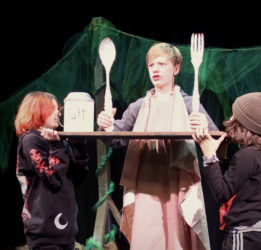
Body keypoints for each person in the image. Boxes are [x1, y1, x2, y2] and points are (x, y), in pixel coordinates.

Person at [97, 42, 218, 250]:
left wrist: (203, 128)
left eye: (162, 64)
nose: (155, 69)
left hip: (178, 183)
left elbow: (215, 141)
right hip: (147, 183)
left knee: (177, 238)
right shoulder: (140, 105)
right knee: (148, 238)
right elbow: (116, 138)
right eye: (151, 65)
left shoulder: (190, 104)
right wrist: (105, 126)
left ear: (176, 68)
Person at [193, 92, 261, 250]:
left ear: (243, 123)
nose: (230, 119)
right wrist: (221, 156)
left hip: (246, 234)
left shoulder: (246, 155)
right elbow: (238, 184)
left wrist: (209, 156)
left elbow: (221, 193)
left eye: (235, 116)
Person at [15, 91, 89, 250]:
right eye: (53, 109)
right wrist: (56, 148)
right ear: (38, 111)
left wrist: (79, 147)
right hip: (44, 230)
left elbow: (77, 178)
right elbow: (52, 178)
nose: (58, 113)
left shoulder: (57, 141)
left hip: (66, 229)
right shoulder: (31, 139)